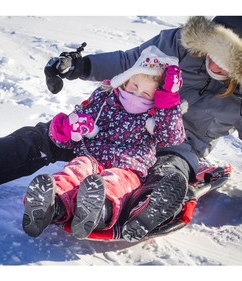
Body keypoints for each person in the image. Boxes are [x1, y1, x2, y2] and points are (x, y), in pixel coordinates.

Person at [0, 16, 242, 243]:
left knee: (167, 173)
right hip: (116, 118)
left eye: (228, 60)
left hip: (173, 147)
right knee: (47, 136)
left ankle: (112, 208)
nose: (214, 60)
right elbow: (126, 61)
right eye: (215, 48)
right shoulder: (180, 45)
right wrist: (79, 65)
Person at [22, 46, 185, 239]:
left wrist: (168, 101)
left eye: (146, 94)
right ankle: (51, 204)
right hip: (93, 158)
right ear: (126, 80)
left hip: (129, 168)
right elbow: (71, 130)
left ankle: (99, 211)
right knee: (76, 169)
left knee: (114, 182)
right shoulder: (105, 97)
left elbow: (171, 137)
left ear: (156, 97)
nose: (137, 95)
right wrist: (67, 130)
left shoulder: (157, 115)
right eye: (134, 86)